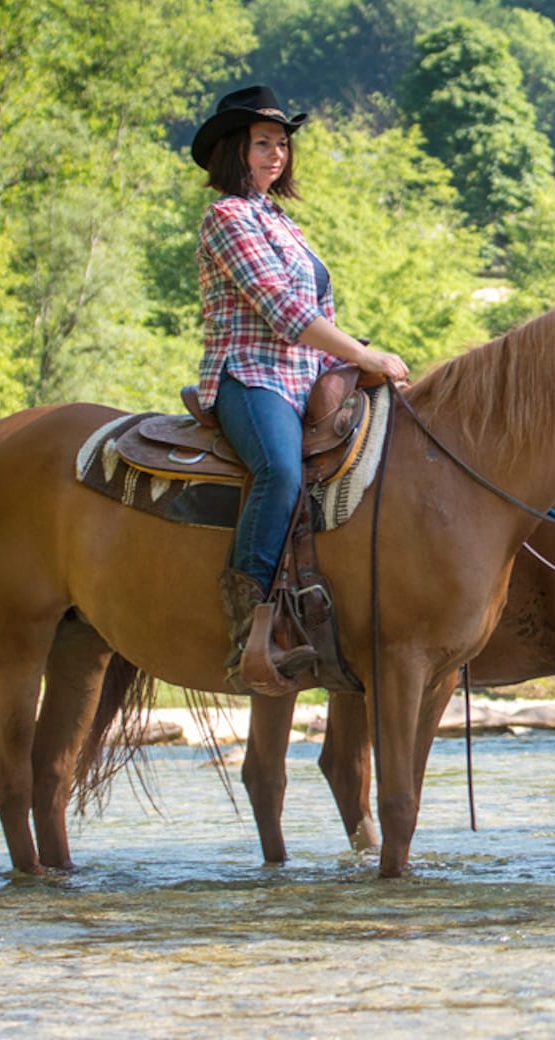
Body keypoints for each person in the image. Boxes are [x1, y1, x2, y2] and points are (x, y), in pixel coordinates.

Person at [189, 85, 409, 692]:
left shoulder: (284, 223)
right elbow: (284, 311)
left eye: (282, 145)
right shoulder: (226, 218)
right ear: (235, 151)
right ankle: (249, 628)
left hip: (307, 376)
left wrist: (356, 362)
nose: (277, 154)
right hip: (251, 375)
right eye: (264, 144)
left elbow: (322, 309)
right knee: (281, 473)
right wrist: (364, 354)